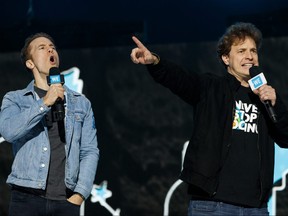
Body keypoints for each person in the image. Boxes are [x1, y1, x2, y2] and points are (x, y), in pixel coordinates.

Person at [130, 22, 288, 215]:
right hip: (212, 206)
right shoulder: (211, 88)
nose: (249, 56)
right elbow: (180, 79)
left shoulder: (265, 96)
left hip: (256, 208)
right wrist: (155, 61)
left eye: (253, 51)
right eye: (241, 51)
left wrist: (276, 103)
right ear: (225, 58)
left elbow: (286, 137)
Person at [0, 32, 99, 216]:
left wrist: (79, 195)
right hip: (26, 199)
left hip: (66, 201)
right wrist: (44, 102)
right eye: (42, 48)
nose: (50, 50)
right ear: (30, 63)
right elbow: (8, 131)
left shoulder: (81, 102)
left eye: (52, 47)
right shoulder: (15, 99)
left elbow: (89, 150)